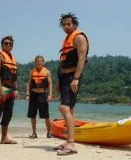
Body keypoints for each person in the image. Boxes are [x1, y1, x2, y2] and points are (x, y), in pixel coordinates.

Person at [55, 13, 89, 155]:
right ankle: (70, 140)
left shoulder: (79, 37)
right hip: (65, 77)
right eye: (64, 24)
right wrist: (60, 80)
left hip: (72, 77)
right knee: (70, 109)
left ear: (74, 25)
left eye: (69, 24)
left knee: (64, 108)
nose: (66, 26)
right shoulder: (67, 39)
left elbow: (82, 59)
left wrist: (75, 78)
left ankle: (71, 144)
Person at [26, 55, 52, 138]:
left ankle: (49, 133)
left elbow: (50, 84)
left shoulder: (47, 72)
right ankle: (34, 133)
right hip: (33, 95)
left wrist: (50, 95)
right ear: (35, 62)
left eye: (41, 61)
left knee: (46, 115)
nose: (39, 62)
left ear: (43, 62)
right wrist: (27, 94)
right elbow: (29, 83)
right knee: (32, 115)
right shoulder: (32, 72)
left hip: (42, 95)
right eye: (37, 61)